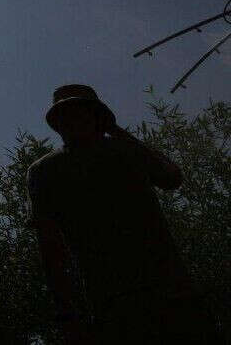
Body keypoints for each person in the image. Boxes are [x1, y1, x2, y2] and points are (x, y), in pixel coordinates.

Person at [27, 83, 223, 344]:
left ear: (96, 117)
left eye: (80, 113)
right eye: (65, 115)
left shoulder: (125, 151)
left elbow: (171, 178)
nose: (73, 121)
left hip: (170, 291)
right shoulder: (45, 170)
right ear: (58, 124)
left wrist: (116, 132)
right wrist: (67, 313)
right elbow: (50, 246)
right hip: (114, 301)